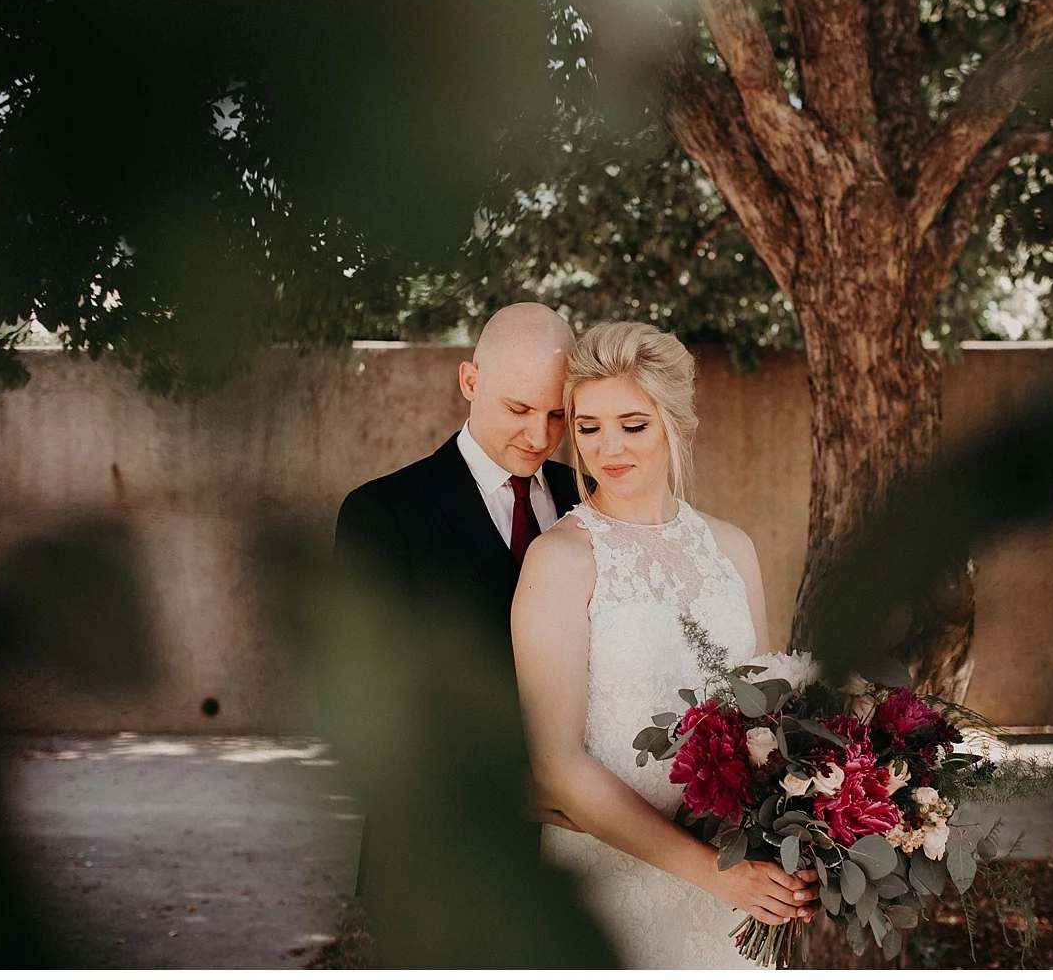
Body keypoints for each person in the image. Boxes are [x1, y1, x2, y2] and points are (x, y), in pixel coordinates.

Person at [511, 322, 819, 969]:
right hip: (611, 892)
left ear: (675, 421)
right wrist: (715, 873)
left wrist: (800, 843)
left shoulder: (733, 549)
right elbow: (556, 765)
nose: (608, 448)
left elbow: (766, 732)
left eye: (633, 424)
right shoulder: (560, 560)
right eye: (588, 426)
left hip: (736, 894)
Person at [333, 301, 584, 896]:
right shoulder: (381, 513)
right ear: (470, 381)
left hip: (582, 862)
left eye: (558, 414)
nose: (540, 436)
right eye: (519, 409)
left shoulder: (589, 499)